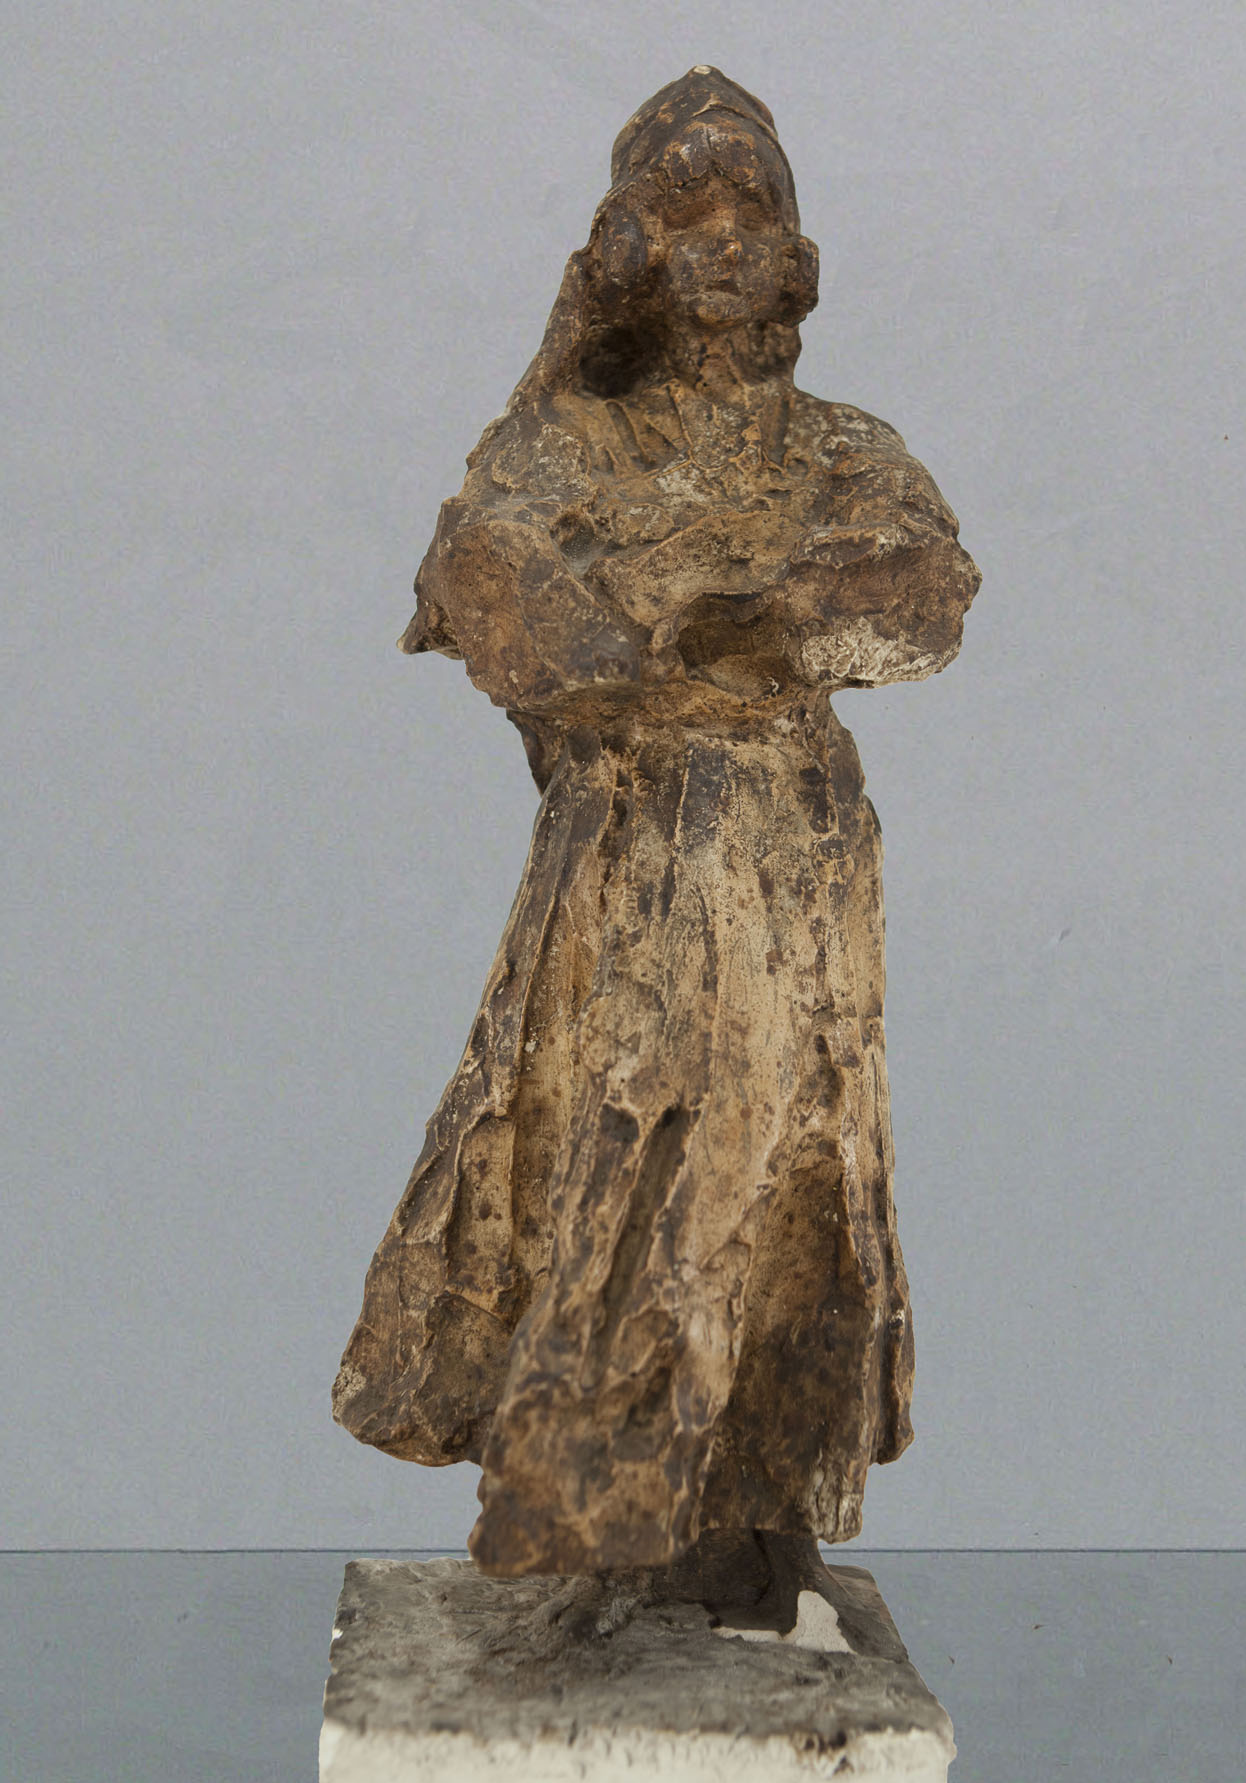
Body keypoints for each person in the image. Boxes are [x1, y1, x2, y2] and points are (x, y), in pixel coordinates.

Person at [333, 67, 980, 1580]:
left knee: (795, 1160)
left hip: (798, 856)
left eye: (756, 205)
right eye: (684, 213)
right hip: (636, 856)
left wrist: (709, 617)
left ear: (802, 255)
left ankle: (754, 1508)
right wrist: (564, 349)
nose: (727, 240)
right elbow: (483, 585)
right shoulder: (577, 444)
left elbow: (920, 595)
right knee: (633, 1152)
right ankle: (597, 1516)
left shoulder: (844, 447)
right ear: (628, 249)